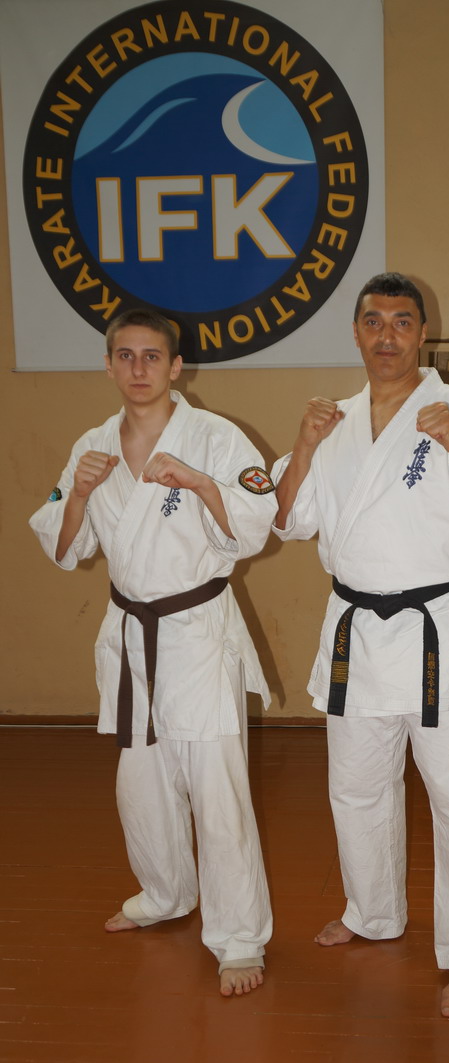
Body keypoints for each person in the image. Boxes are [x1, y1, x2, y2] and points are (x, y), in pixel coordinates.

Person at [272, 272, 449, 1018]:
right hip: (355, 627)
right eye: (374, 321)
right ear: (356, 333)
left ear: (423, 333)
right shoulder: (334, 420)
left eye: (403, 321)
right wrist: (302, 444)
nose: (388, 335)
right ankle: (373, 910)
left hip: (433, 626)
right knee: (356, 783)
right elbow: (286, 520)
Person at [30, 309, 275, 998]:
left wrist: (200, 483)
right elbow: (63, 547)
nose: (138, 368)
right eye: (126, 355)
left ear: (176, 367)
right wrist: (79, 493)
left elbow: (257, 526)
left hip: (196, 632)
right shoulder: (92, 447)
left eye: (152, 356)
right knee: (141, 782)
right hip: (130, 633)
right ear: (109, 364)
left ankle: (239, 937)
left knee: (216, 790)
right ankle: (165, 893)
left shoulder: (217, 438)